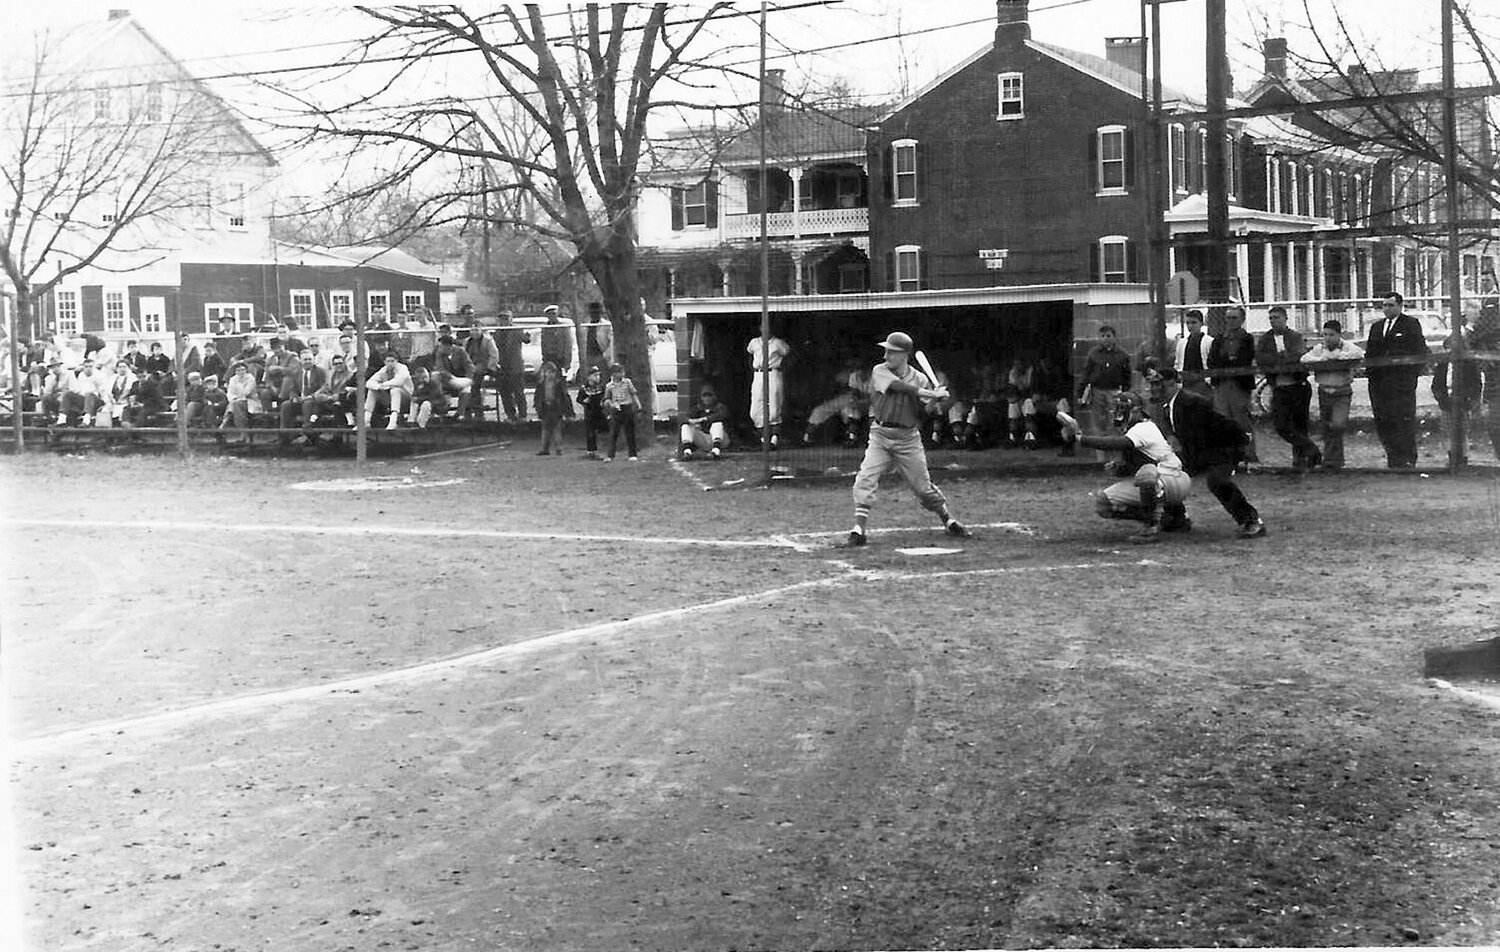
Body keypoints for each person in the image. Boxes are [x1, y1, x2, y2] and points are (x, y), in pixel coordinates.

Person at [843, 332, 970, 547]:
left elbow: (926, 408)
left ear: (904, 355)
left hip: (907, 439)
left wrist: (938, 397)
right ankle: (859, 529)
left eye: (891, 352)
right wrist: (930, 394)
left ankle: (948, 519)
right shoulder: (879, 371)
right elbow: (899, 388)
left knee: (923, 488)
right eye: (886, 350)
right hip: (880, 436)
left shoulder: (920, 378)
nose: (886, 355)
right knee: (865, 478)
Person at [1057, 389, 1191, 544]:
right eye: (1117, 408)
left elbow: (1118, 443)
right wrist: (1120, 468)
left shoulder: (1144, 427)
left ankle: (1150, 528)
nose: (1118, 412)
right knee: (1104, 503)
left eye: (1122, 408)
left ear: (1136, 410)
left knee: (1147, 474)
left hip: (1173, 481)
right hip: (1168, 482)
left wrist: (1081, 439)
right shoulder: (1135, 429)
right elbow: (1140, 460)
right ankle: (1173, 518)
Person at [1155, 368, 1266, 538]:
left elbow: (1220, 424)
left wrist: (1243, 438)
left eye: (1157, 383)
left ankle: (1251, 520)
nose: (1153, 388)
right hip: (1200, 450)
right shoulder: (1167, 406)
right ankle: (1176, 517)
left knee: (1217, 481)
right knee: (1168, 473)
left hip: (1223, 448)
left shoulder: (1192, 402)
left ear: (1171, 383)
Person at [1365, 291, 1431, 468]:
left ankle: (1408, 459)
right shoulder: (1377, 327)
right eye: (1384, 305)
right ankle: (1393, 458)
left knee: (1403, 420)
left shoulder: (1410, 324)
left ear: (1400, 306)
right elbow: (1370, 354)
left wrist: (1410, 377)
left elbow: (1420, 351)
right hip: (1379, 384)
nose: (1386, 309)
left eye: (1391, 305)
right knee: (1383, 420)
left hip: (1402, 384)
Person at [1256, 306, 1319, 470]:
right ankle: (1311, 449)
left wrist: (1280, 360)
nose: (1273, 321)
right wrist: (1282, 359)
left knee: (1300, 424)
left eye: (1276, 317)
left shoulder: (1295, 336)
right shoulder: (1265, 339)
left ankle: (1301, 460)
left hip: (1298, 386)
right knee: (1281, 424)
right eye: (1271, 318)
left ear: (1285, 318)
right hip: (1279, 387)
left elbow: (1299, 356)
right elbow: (1262, 359)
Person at [1299, 320, 1364, 471]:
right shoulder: (1320, 348)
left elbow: (1358, 353)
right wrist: (1322, 359)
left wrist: (1336, 356)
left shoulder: (1347, 347)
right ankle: (1333, 461)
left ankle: (1331, 459)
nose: (1328, 338)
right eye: (1325, 335)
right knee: (1327, 427)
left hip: (1342, 392)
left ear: (1339, 335)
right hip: (1324, 391)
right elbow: (1305, 359)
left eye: (1331, 335)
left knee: (1338, 425)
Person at [1207, 305, 1259, 467]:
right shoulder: (1219, 339)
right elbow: (1212, 361)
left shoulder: (1247, 338)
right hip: (1222, 384)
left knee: (1241, 419)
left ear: (1242, 320)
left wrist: (1228, 362)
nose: (1230, 321)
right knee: (1223, 419)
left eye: (1234, 318)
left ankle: (1248, 454)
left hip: (1239, 384)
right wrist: (1230, 361)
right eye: (1228, 318)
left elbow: (1244, 359)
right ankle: (1228, 454)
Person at [1076, 325, 1132, 468]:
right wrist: (1080, 392)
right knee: (1098, 423)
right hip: (1097, 390)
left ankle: (1115, 458)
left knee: (1114, 423)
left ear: (1114, 337)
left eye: (1108, 336)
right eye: (1103, 336)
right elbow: (1086, 373)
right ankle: (1100, 459)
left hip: (1114, 391)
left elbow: (1127, 376)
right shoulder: (1093, 354)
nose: (1106, 339)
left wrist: (1125, 393)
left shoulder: (1122, 354)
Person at [801, 360, 869, 447]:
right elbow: (852, 392)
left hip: (868, 402)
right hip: (850, 400)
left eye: (859, 368)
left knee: (851, 410)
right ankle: (807, 438)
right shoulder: (853, 376)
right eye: (854, 367)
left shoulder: (873, 377)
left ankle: (852, 439)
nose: (857, 370)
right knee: (819, 411)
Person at [746, 329, 791, 448]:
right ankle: (763, 439)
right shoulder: (754, 342)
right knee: (755, 410)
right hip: (758, 374)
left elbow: (788, 356)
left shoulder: (778, 343)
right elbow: (750, 356)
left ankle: (774, 440)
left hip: (773, 372)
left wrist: (781, 369)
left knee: (774, 407)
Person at [279, 349, 328, 443]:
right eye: (305, 359)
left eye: (310, 359)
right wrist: (293, 397)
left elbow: (324, 387)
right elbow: (293, 389)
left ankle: (308, 433)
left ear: (313, 360)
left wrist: (310, 397)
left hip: (315, 401)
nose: (308, 361)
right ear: (301, 361)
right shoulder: (296, 372)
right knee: (286, 405)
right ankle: (285, 434)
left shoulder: (320, 371)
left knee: (307, 403)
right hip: (300, 400)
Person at [679, 385, 731, 460]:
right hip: (704, 439)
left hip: (721, 440)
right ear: (701, 397)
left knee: (717, 424)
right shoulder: (697, 408)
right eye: (704, 396)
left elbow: (722, 415)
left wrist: (703, 419)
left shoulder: (720, 407)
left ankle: (716, 452)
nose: (707, 398)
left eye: (709, 396)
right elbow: (684, 418)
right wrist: (691, 421)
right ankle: (687, 452)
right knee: (686, 426)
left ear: (714, 396)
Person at [533, 360, 574, 455]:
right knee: (545, 430)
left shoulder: (558, 384)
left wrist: (566, 410)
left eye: (553, 372)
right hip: (545, 408)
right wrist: (537, 407)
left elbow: (564, 397)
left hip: (555, 408)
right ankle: (544, 448)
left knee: (556, 429)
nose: (551, 374)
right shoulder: (541, 384)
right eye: (549, 372)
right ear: (544, 373)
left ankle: (559, 448)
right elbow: (537, 397)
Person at [602, 362, 642, 461]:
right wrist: (611, 405)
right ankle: (610, 455)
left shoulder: (627, 382)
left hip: (627, 407)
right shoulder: (609, 386)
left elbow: (633, 393)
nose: (622, 374)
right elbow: (607, 398)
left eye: (622, 372)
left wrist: (638, 405)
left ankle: (632, 454)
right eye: (619, 372)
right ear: (613, 374)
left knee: (630, 431)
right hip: (616, 409)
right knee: (614, 432)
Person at [364, 352, 413, 429]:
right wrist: (378, 386)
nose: (390, 363)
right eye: (388, 361)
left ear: (396, 361)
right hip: (391, 399)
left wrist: (383, 385)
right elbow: (369, 383)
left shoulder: (403, 368)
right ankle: (366, 420)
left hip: (407, 399)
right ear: (385, 362)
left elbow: (398, 382)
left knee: (395, 389)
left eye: (392, 361)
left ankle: (393, 421)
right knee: (372, 390)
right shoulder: (383, 370)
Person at [494, 311, 527, 422]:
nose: (504, 321)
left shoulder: (517, 330)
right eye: (502, 319)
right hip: (503, 367)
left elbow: (526, 339)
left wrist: (526, 336)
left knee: (519, 392)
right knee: (505, 393)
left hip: (515, 366)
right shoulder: (497, 333)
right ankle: (510, 415)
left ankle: (523, 415)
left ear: (511, 319)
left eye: (506, 318)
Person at [464, 322, 500, 422]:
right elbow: (464, 355)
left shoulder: (488, 341)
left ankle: (477, 410)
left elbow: (494, 355)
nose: (474, 332)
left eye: (476, 330)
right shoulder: (467, 341)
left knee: (475, 383)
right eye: (472, 330)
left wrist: (490, 367)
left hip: (483, 364)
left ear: (481, 330)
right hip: (470, 365)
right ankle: (467, 408)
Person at [431, 334, 475, 418]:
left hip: (462, 380)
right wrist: (453, 379)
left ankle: (460, 414)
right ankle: (441, 410)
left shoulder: (460, 351)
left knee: (466, 391)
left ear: (448, 346)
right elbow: (441, 369)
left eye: (442, 345)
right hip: (448, 381)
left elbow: (470, 367)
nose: (440, 347)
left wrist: (468, 379)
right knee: (435, 376)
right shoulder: (439, 354)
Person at [1174, 309, 1214, 398]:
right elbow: (1178, 363)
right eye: (1188, 323)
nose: (1190, 326)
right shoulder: (1182, 342)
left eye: (1194, 322)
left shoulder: (1209, 341)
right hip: (1186, 382)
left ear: (1201, 323)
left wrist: (1209, 380)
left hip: (1202, 382)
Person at [574, 366, 609, 459]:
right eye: (595, 375)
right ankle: (591, 451)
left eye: (598, 375)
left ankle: (602, 451)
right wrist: (584, 401)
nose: (597, 377)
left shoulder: (602, 387)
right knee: (590, 432)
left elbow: (606, 396)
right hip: (590, 413)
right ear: (589, 377)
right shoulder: (584, 388)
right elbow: (579, 399)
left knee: (603, 430)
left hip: (600, 412)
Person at [223, 361, 262, 432]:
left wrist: (237, 396)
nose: (240, 372)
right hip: (236, 401)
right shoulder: (233, 379)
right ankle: (242, 430)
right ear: (235, 371)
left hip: (250, 401)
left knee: (234, 405)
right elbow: (230, 393)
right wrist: (234, 398)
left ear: (246, 370)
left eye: (242, 370)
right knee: (235, 405)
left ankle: (225, 423)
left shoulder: (250, 378)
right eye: (238, 370)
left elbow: (246, 391)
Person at [539, 304, 574, 376]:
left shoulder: (563, 327)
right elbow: (543, 343)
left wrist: (567, 360)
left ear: (557, 314)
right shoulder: (545, 328)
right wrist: (544, 357)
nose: (552, 316)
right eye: (549, 314)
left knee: (559, 378)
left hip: (560, 357)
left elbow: (568, 344)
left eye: (553, 313)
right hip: (549, 356)